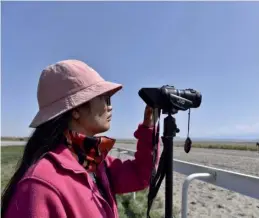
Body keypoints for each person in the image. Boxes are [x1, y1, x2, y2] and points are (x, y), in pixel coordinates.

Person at [1, 59, 160, 218]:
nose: (110, 106)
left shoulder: (95, 163)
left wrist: (149, 126)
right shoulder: (41, 186)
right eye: (105, 99)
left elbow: (140, 175)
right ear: (76, 110)